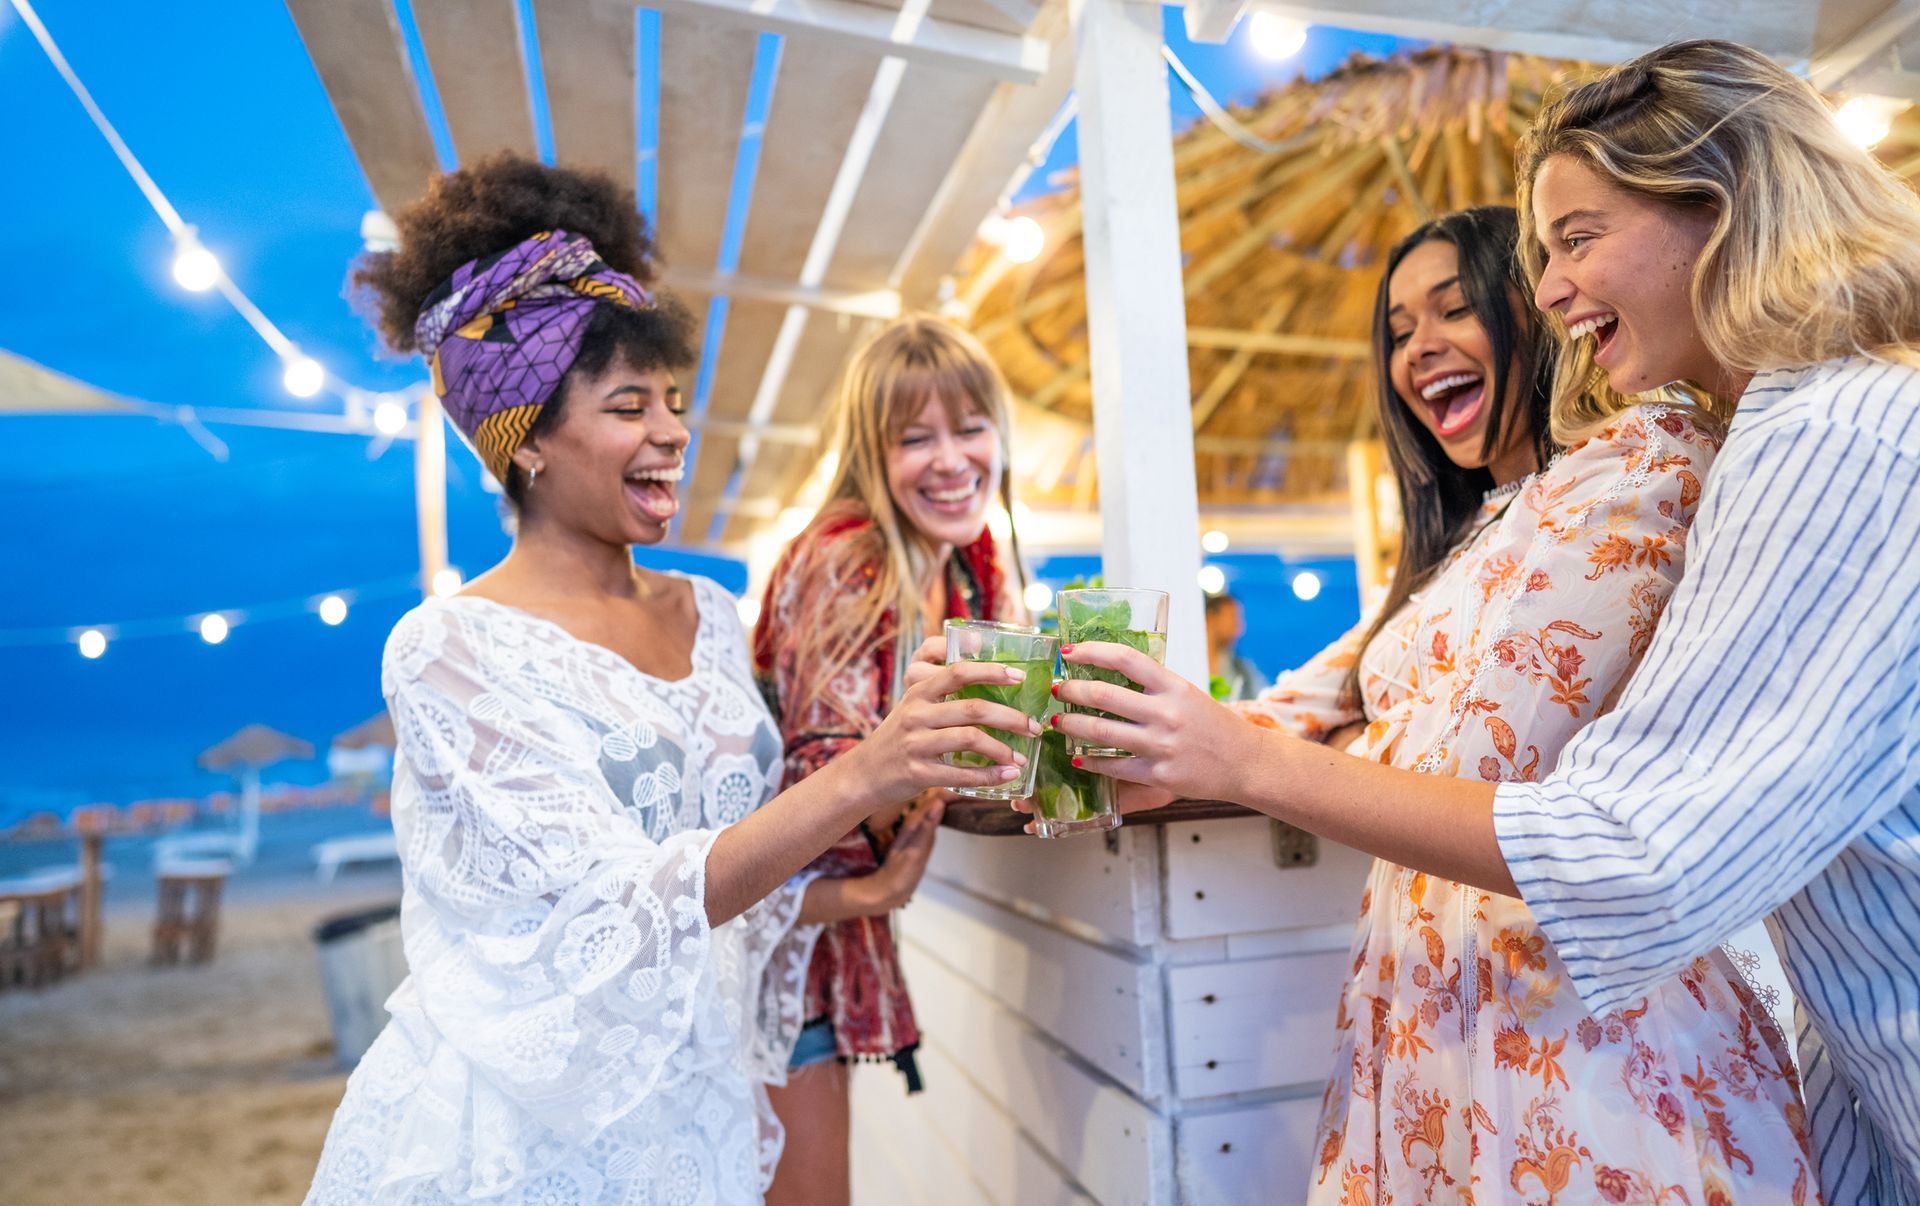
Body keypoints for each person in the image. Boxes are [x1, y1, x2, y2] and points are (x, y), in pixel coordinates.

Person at [1055, 40, 1920, 1204]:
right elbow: (1377, 700)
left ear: (1722, 209)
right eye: (1545, 251)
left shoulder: (1753, 446)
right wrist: (1186, 738)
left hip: (1601, 1042)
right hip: (1611, 1035)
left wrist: (1241, 758)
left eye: (1573, 241)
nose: (1556, 287)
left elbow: (1631, 849)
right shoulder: (1579, 498)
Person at [303, 156, 1039, 1205]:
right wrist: (868, 771)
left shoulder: (710, 617)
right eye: (629, 406)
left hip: (702, 1097)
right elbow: (609, 910)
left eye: (675, 401)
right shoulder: (449, 650)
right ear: (528, 445)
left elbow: (725, 883)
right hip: (530, 1132)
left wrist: (849, 894)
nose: (672, 433)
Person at [752, 315, 1026, 1206]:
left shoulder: (961, 563)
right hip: (778, 952)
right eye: (915, 439)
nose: (951, 459)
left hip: (816, 935)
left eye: (970, 428)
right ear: (871, 455)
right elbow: (822, 786)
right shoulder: (851, 558)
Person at [1203, 592, 1269, 701]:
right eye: (1232, 618)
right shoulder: (1188, 664)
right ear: (1210, 617)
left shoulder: (1242, 670)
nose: (1239, 628)